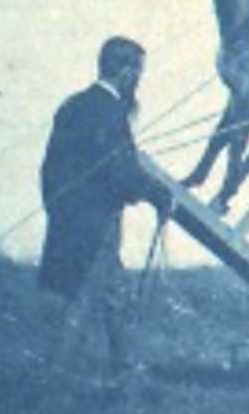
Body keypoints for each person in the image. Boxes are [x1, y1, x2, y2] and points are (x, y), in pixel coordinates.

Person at [38, 36, 172, 378]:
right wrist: (156, 193)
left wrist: (58, 210)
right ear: (126, 72)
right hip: (96, 223)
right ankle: (57, 378)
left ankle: (124, 367)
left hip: (70, 218)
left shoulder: (73, 106)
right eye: (138, 72)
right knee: (83, 297)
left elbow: (49, 170)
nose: (138, 80)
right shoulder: (110, 112)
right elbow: (117, 169)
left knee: (115, 293)